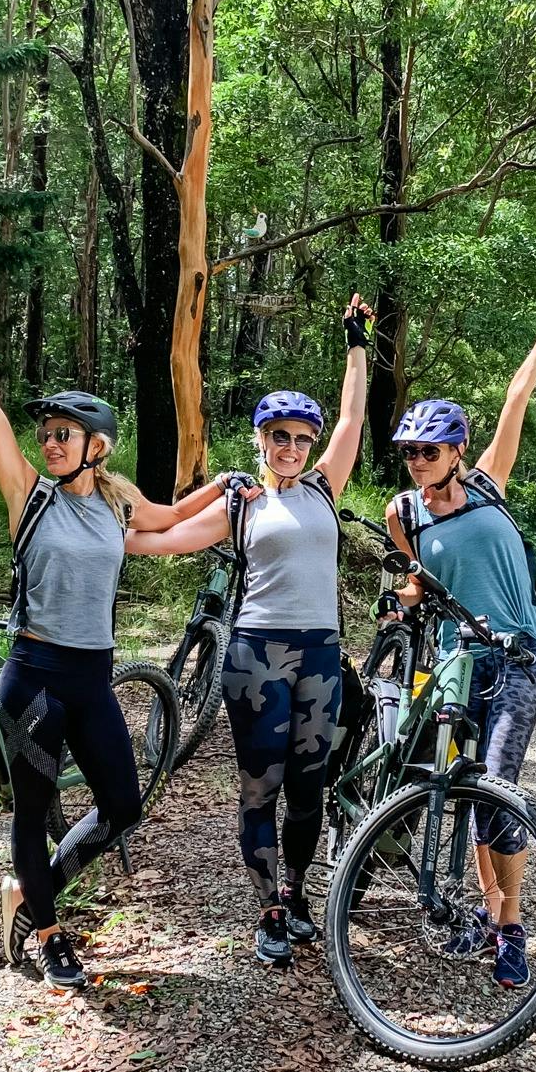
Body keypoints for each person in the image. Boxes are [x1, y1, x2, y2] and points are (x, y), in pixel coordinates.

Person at [0, 274, 238, 991]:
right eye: (48, 435)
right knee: (33, 811)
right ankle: (48, 929)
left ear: (97, 444)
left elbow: (172, 517)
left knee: (123, 802)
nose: (50, 442)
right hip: (33, 676)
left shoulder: (116, 503)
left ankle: (34, 892)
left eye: (63, 434)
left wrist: (227, 487)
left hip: (92, 676)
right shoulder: (28, 495)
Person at [127, 297, 373, 964]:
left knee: (308, 786)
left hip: (321, 654)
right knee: (260, 786)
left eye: (301, 438)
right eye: (279, 436)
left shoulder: (323, 487)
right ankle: (267, 908)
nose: (291, 448)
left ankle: (296, 895)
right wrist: (96, 524)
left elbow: (353, 416)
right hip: (257, 656)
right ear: (261, 440)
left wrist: (357, 341)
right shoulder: (241, 504)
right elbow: (163, 535)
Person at [383, 273, 536, 989]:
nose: (418, 463)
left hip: (518, 656)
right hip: (454, 664)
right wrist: (402, 601)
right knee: (462, 789)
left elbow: (516, 395)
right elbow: (416, 581)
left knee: (497, 785)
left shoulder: (491, 481)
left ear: (458, 451)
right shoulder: (403, 511)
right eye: (410, 452)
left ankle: (513, 923)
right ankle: (492, 916)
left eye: (429, 452)